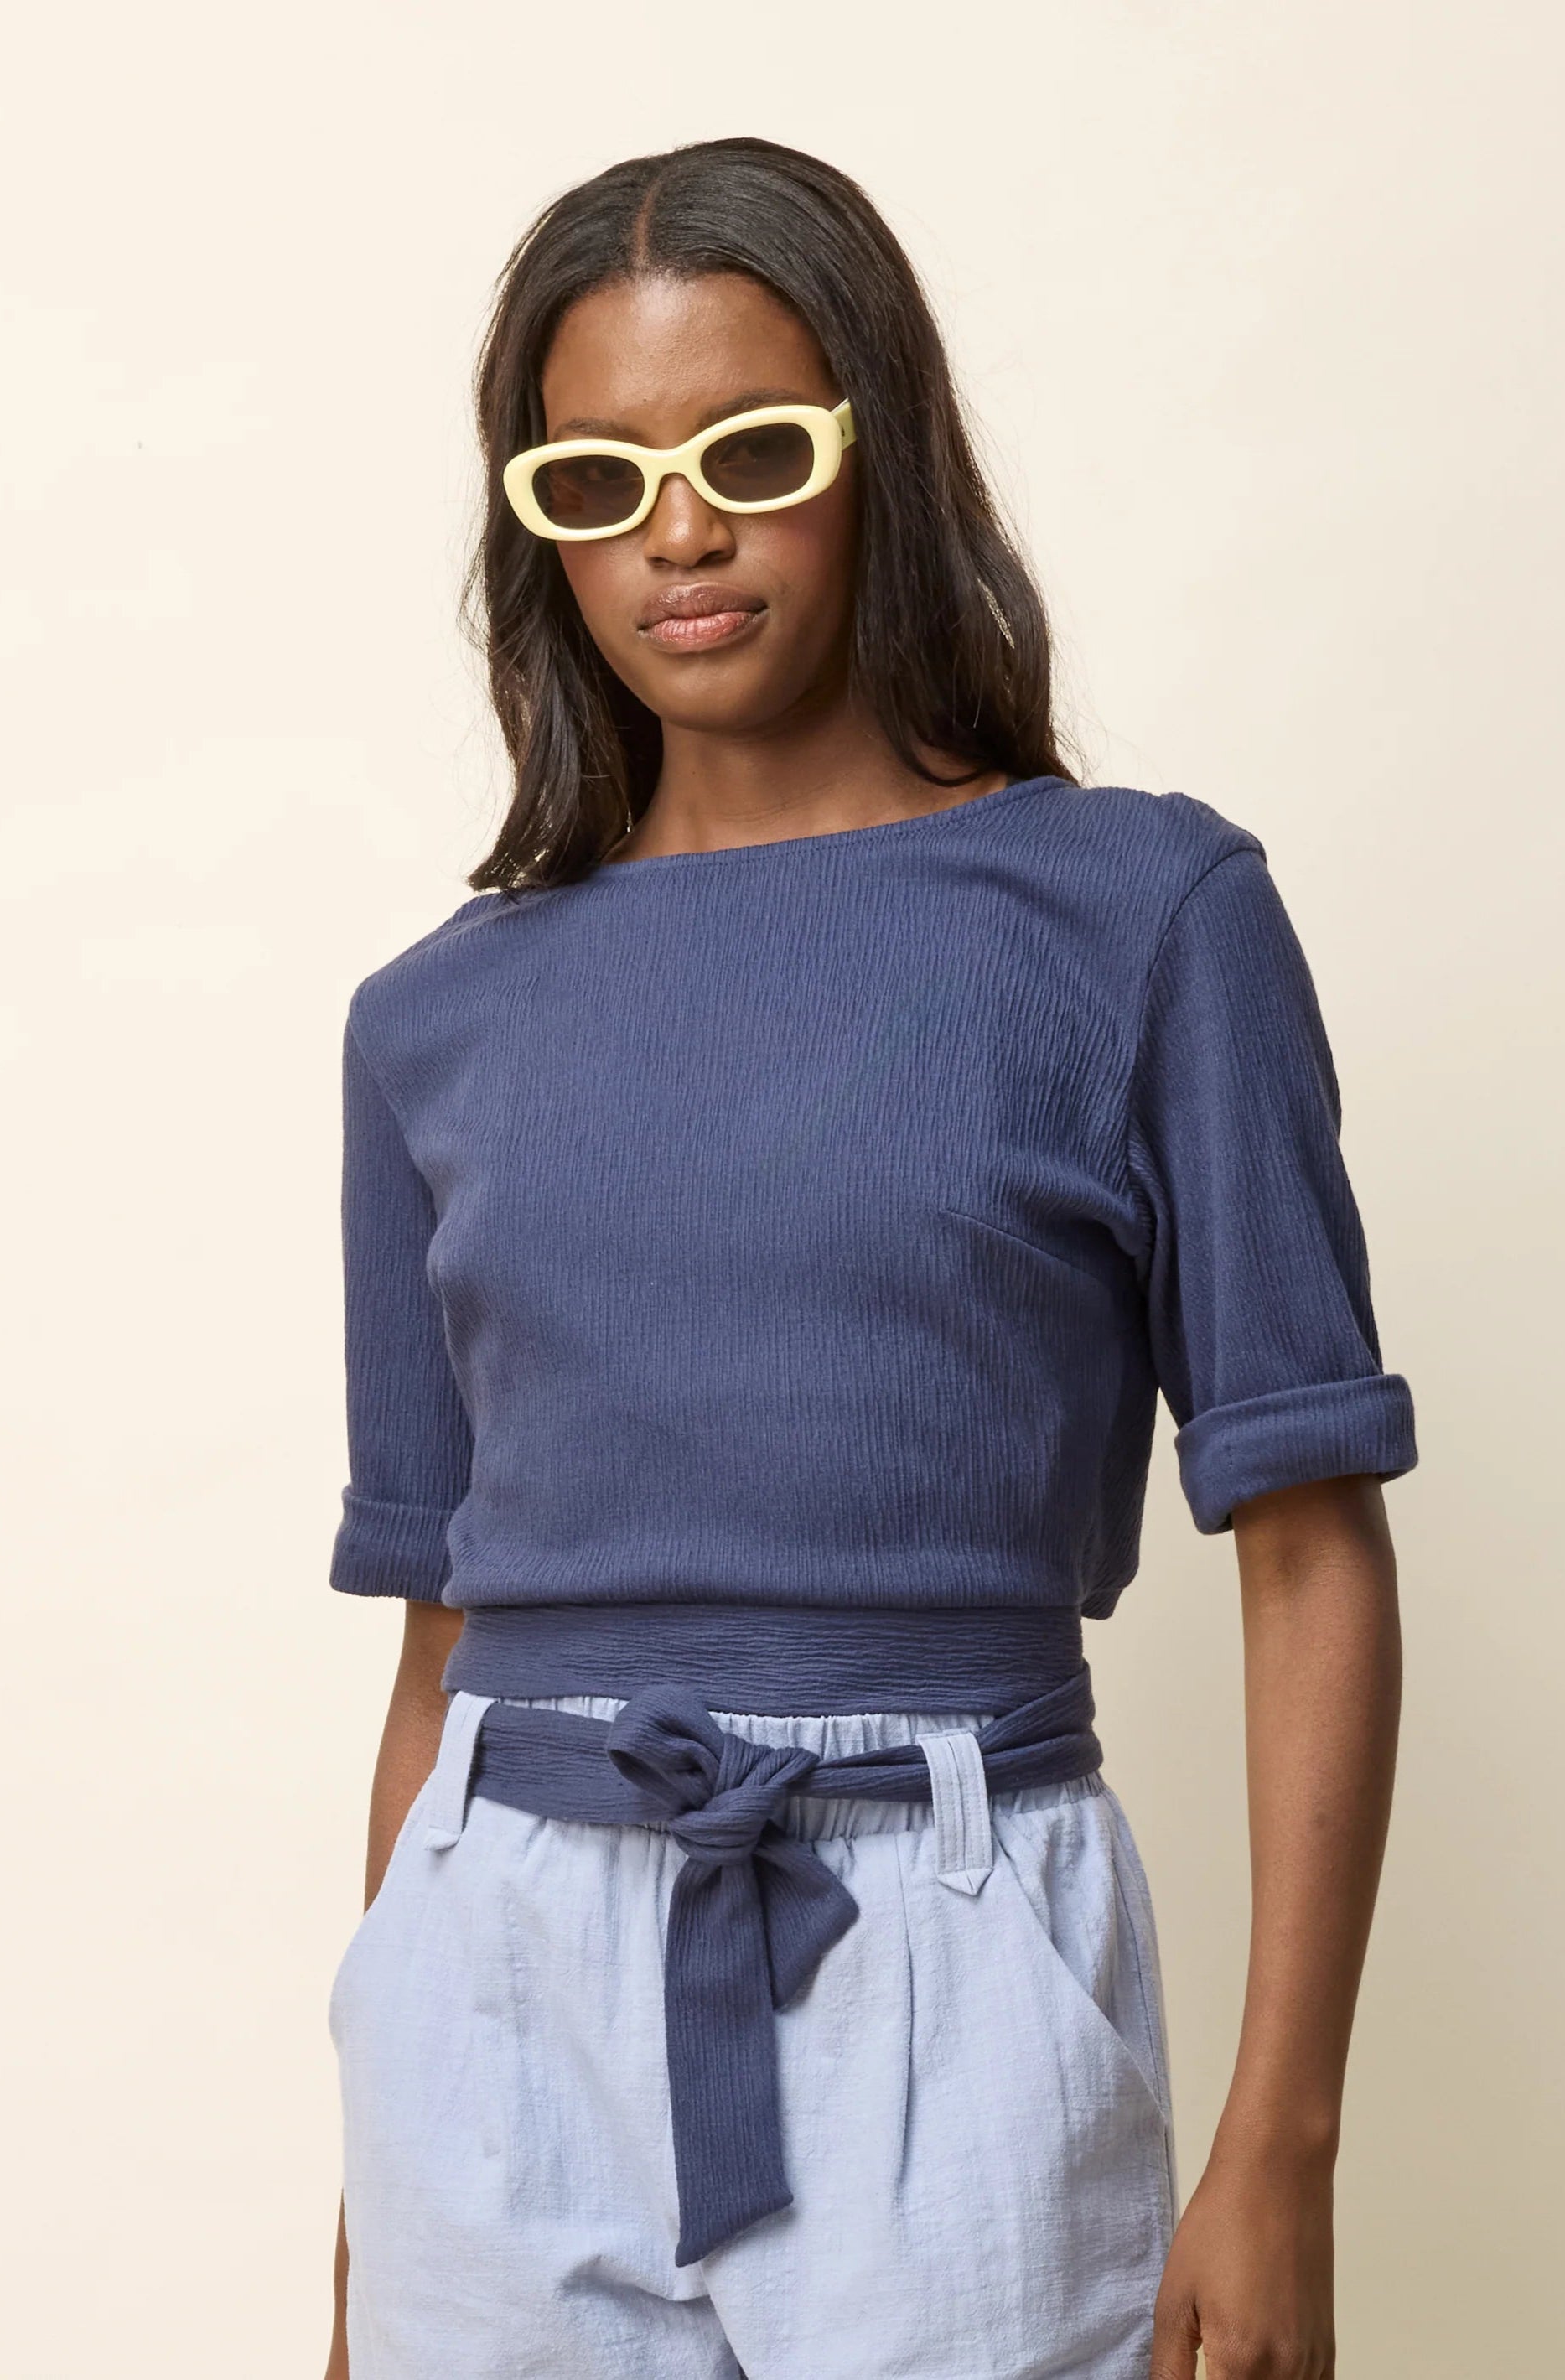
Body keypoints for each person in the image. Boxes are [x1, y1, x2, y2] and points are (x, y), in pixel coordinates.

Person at [321, 137, 1415, 2380]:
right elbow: (441, 1640)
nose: (680, 534)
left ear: (878, 451)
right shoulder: (430, 1022)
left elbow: (1312, 1548)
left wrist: (1282, 2147)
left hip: (950, 1938)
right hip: (493, 1979)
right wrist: (369, 2218)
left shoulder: (1144, 919)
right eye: (598, 483)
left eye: (751, 453)